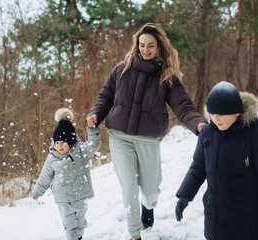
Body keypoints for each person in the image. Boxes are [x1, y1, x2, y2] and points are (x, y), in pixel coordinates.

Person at [87, 23, 206, 240]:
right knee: (129, 188)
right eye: (142, 45)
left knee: (150, 189)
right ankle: (135, 234)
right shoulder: (121, 70)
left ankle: (148, 206)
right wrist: (96, 114)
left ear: (159, 46)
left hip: (149, 139)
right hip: (119, 136)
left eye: (150, 46)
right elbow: (105, 98)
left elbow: (183, 107)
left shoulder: (167, 77)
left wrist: (198, 124)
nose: (145, 50)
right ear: (137, 45)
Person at [175, 81, 258, 240]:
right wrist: (184, 196)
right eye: (212, 114)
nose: (215, 119)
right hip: (214, 216)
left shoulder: (256, 137)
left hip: (246, 218)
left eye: (221, 115)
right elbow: (198, 167)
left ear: (237, 112)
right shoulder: (207, 134)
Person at [32, 108, 101, 240]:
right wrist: (37, 191)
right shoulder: (52, 158)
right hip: (63, 199)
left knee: (80, 223)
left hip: (80, 195)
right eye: (57, 142)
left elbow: (94, 144)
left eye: (64, 142)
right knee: (69, 224)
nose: (60, 146)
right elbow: (45, 176)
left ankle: (79, 236)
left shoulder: (80, 151)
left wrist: (92, 129)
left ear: (71, 141)